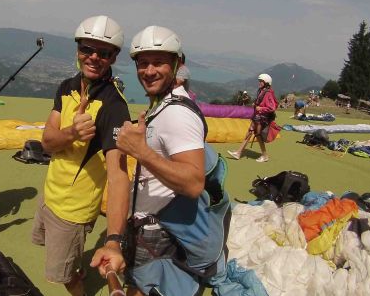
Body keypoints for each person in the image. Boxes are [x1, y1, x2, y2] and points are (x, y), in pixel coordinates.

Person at [91, 26, 231, 295]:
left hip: (159, 234)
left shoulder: (178, 114)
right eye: (143, 63)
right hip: (149, 228)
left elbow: (193, 183)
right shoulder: (163, 105)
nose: (149, 71)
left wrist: (141, 151)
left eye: (159, 62)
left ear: (177, 64)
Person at [31, 15, 131, 296]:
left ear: (113, 58)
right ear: (78, 49)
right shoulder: (67, 87)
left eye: (104, 52)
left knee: (63, 277)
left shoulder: (113, 107)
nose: (94, 57)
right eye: (87, 49)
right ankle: (76, 267)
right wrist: (72, 134)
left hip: (73, 212)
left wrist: (113, 240)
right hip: (50, 196)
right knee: (58, 255)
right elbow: (47, 142)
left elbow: (118, 176)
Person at [227, 73, 277, 162]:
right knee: (249, 133)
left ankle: (265, 155)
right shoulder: (262, 91)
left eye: (261, 81)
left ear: (266, 82)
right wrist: (256, 104)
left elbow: (272, 107)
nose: (259, 83)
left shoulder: (268, 93)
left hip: (261, 118)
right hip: (257, 116)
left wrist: (261, 108)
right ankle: (238, 153)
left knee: (258, 135)